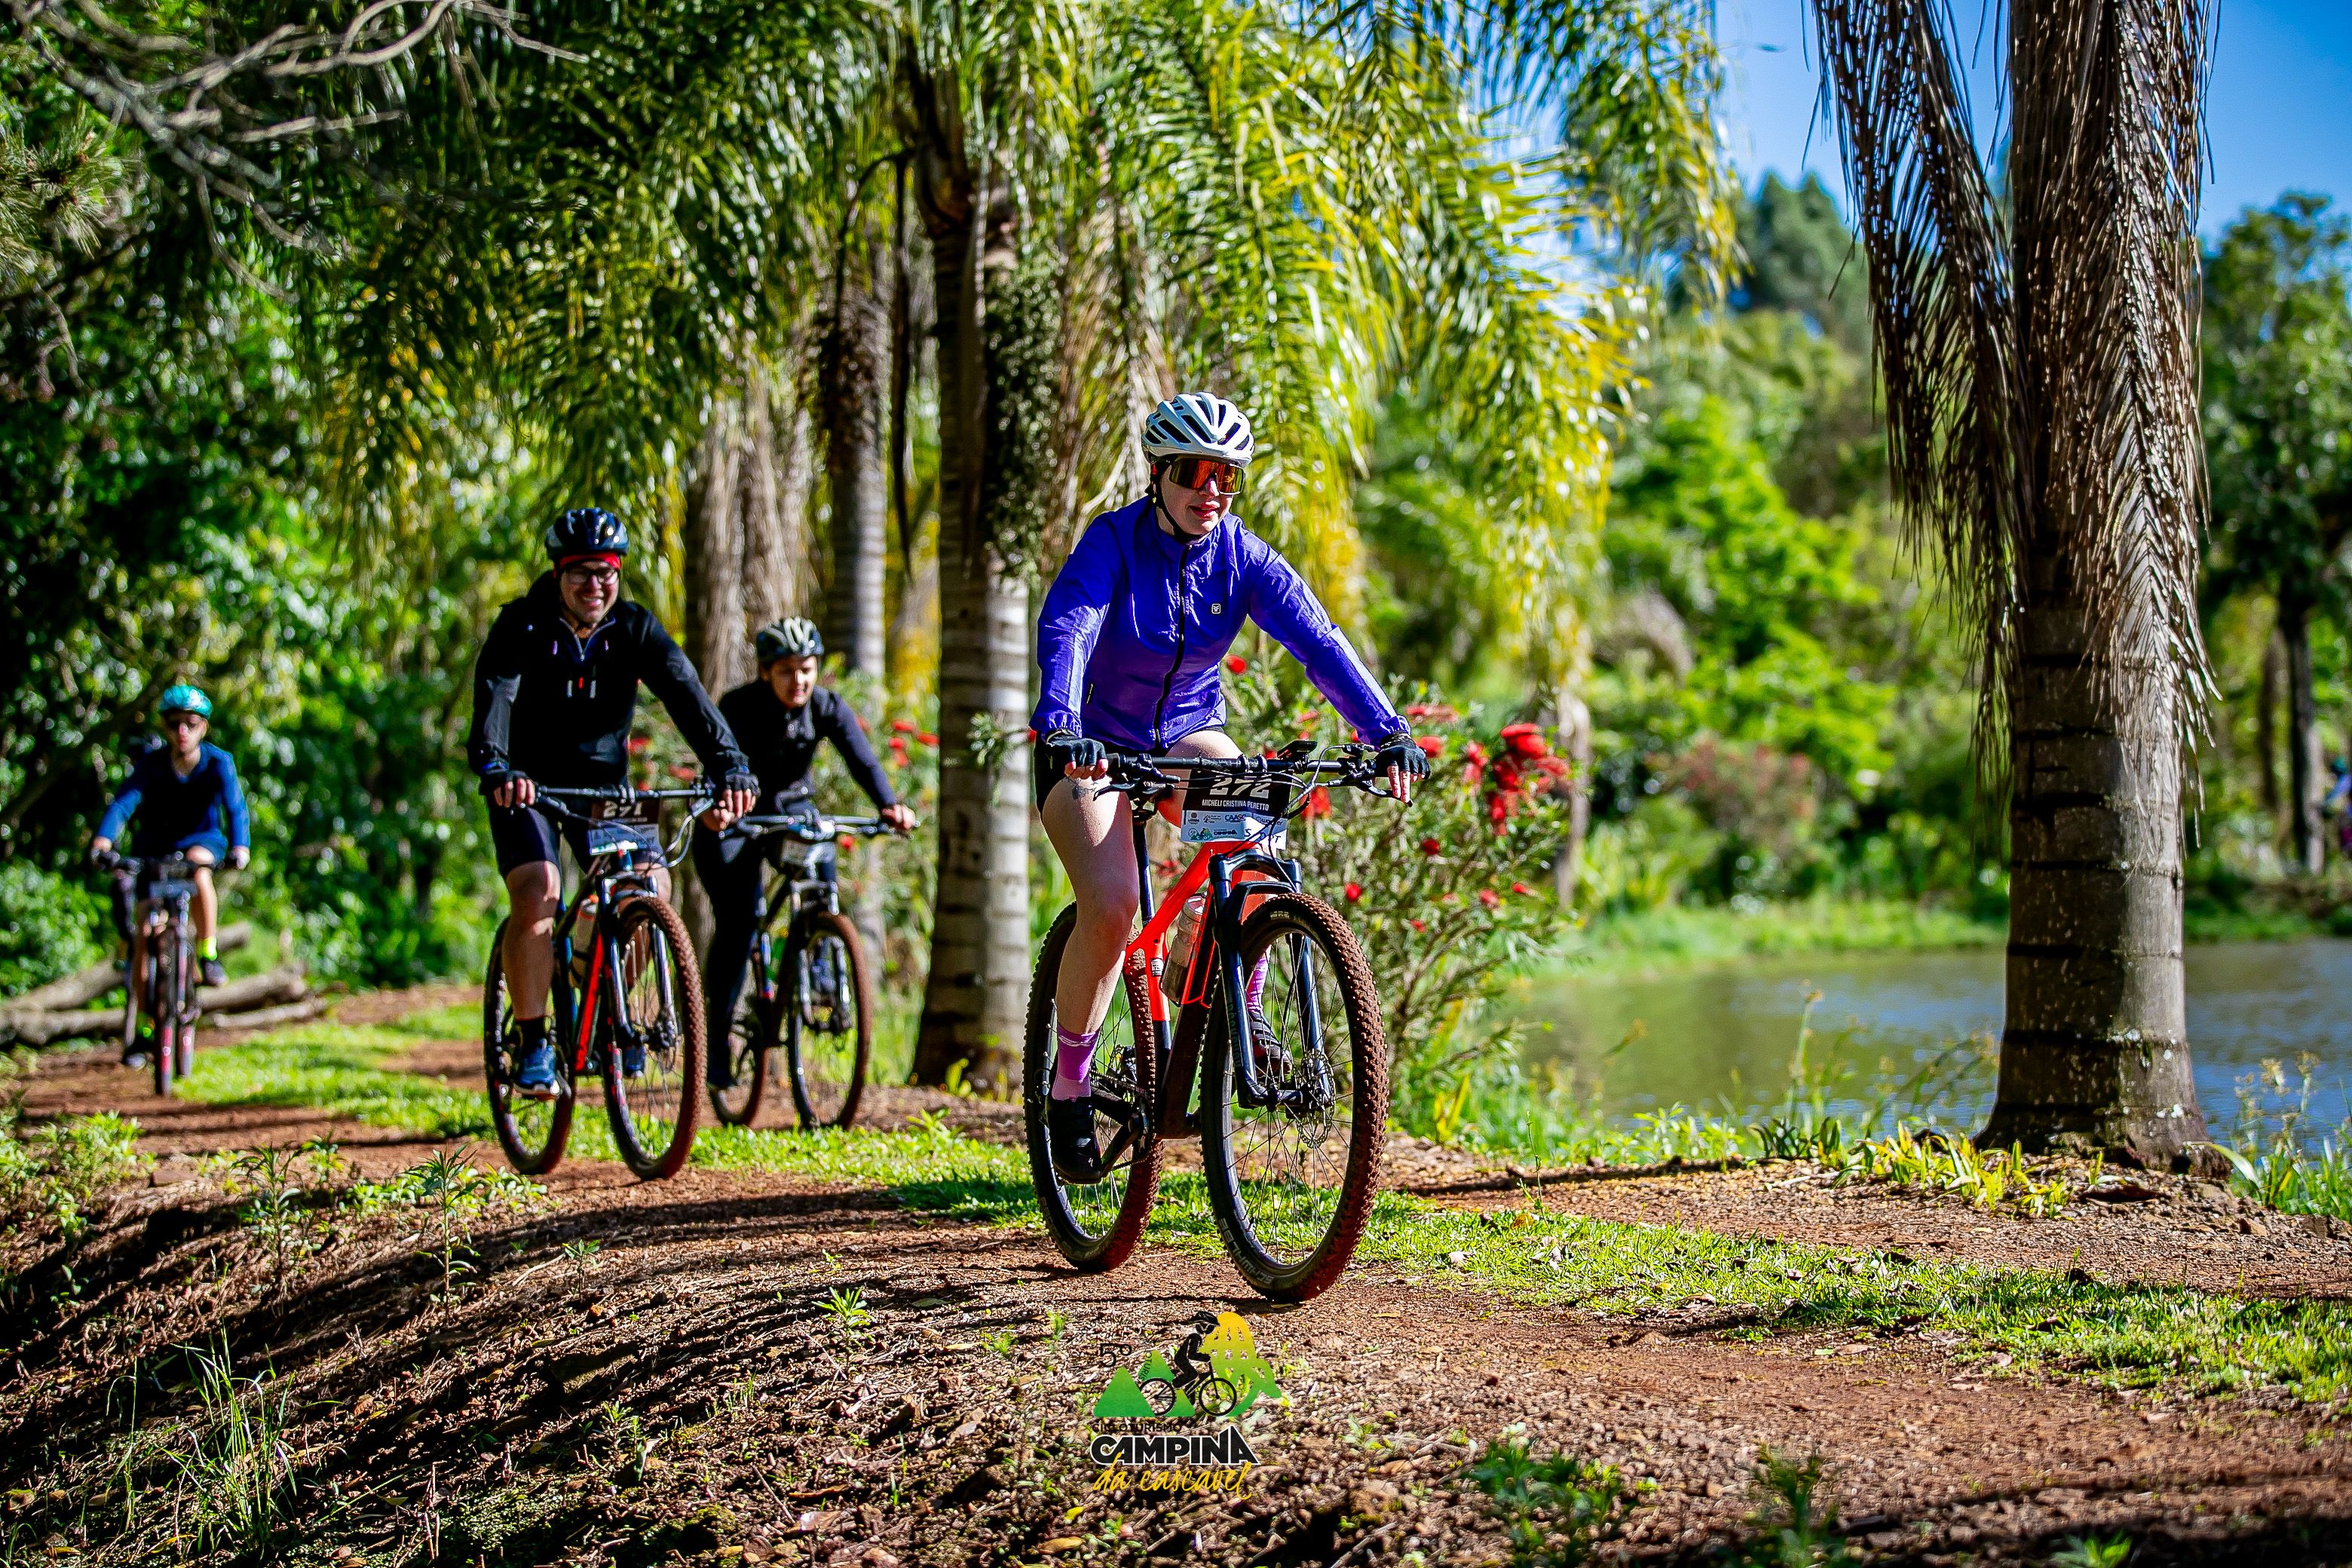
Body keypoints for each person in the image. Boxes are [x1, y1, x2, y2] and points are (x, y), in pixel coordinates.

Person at [1031, 392, 1428, 1181]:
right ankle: (1069, 1085)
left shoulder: (1243, 556)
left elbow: (1319, 640)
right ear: (1158, 473)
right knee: (1112, 906)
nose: (1210, 490)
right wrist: (1062, 720)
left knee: (1258, 844)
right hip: (1091, 744)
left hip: (1186, 732)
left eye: (1227, 476)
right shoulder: (1113, 542)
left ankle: (1222, 981)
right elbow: (1070, 625)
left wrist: (1387, 731)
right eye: (1193, 472)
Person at [468, 507, 758, 1098]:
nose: (594, 585)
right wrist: (497, 765)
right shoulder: (522, 625)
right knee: (539, 890)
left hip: (605, 790)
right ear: (557, 574)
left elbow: (688, 697)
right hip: (528, 787)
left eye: (605, 572)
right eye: (581, 572)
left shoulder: (634, 628)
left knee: (651, 886)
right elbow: (496, 696)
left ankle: (605, 1008)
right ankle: (533, 1042)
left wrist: (730, 764)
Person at [691, 617, 917, 1088]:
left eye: (807, 669)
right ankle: (717, 1039)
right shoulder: (738, 707)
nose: (798, 680)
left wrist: (889, 805)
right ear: (765, 672)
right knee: (741, 920)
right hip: (733, 817)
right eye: (786, 671)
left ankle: (821, 969)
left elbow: (862, 759)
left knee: (819, 866)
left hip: (790, 811)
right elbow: (714, 763)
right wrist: (715, 808)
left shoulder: (826, 706)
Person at [89, 684, 251, 1064]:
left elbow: (236, 809)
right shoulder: (151, 764)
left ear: (203, 727)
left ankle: (208, 953)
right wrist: (103, 841)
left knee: (199, 871)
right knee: (144, 935)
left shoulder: (219, 763)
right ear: (165, 727)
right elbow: (123, 804)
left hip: (202, 842)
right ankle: (148, 1027)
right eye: (175, 723)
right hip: (154, 853)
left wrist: (240, 847)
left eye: (190, 724)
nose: (182, 731)